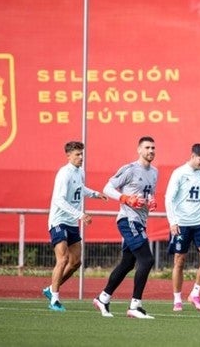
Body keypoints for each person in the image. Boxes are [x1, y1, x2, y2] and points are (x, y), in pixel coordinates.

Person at [92, 136, 158, 319]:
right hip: (128, 220)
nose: (151, 151)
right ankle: (135, 306)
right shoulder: (129, 169)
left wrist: (151, 201)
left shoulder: (154, 172)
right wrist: (125, 198)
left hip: (140, 220)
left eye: (153, 148)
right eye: (147, 147)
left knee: (128, 263)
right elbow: (107, 188)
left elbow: (149, 193)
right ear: (139, 150)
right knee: (147, 260)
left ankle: (103, 298)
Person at [42, 141, 107, 312]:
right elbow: (59, 199)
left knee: (76, 262)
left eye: (82, 154)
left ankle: (50, 289)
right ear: (68, 155)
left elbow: (80, 188)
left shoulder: (80, 172)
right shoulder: (64, 173)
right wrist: (80, 214)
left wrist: (94, 194)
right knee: (62, 259)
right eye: (77, 154)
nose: (81, 157)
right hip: (58, 221)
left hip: (71, 222)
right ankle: (54, 300)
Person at [165, 143, 200, 312]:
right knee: (179, 261)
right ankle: (177, 300)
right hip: (181, 223)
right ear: (192, 156)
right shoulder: (179, 173)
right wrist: (172, 221)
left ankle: (195, 293)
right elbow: (169, 198)